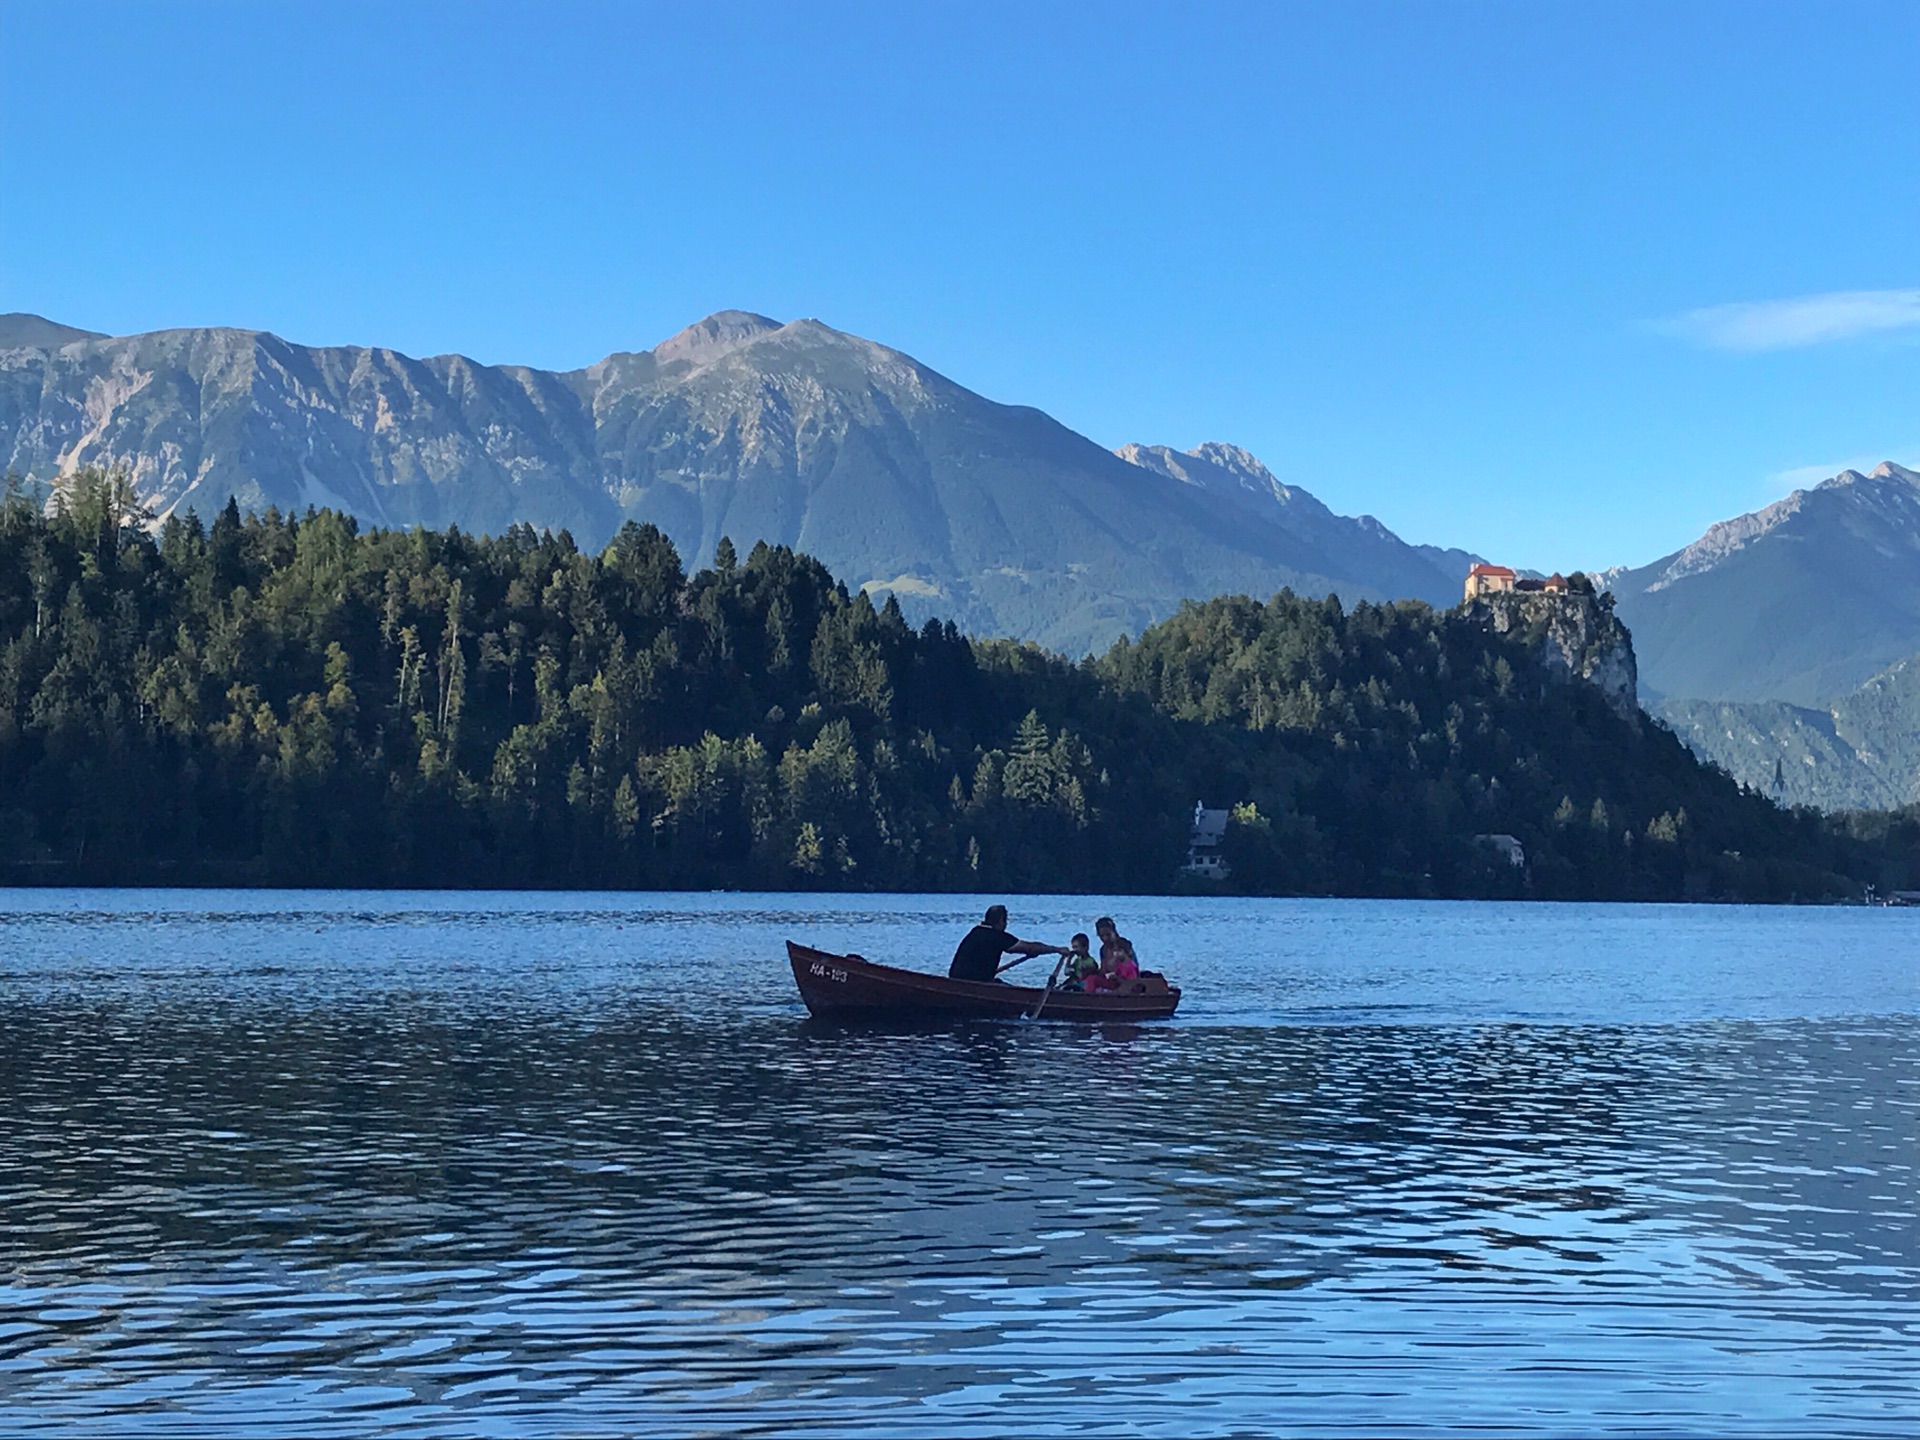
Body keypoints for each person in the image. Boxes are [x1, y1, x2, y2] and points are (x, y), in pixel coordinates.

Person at [948, 904, 1067, 983]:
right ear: (1000, 920)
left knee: (998, 983)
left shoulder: (975, 932)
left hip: (957, 980)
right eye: (1006, 921)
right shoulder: (996, 936)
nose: (1006, 925)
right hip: (974, 983)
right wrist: (1057, 949)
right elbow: (1030, 948)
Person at [1092, 915, 1140, 990]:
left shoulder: (1123, 946)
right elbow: (1103, 971)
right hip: (1110, 982)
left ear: (1114, 932)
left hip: (1126, 984)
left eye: (1108, 935)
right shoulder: (1103, 950)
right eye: (1101, 936)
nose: (1105, 938)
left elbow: (1133, 969)